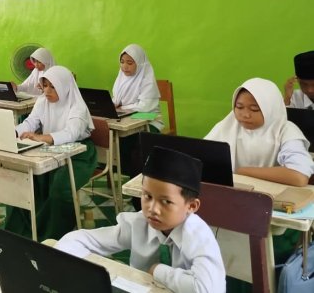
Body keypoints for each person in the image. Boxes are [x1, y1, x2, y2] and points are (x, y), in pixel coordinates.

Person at [56, 146, 226, 293]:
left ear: (192, 206)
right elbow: (76, 240)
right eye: (147, 196)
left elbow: (208, 289)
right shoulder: (138, 223)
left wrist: (158, 270)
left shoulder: (198, 236)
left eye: (166, 202)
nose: (153, 209)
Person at [4, 66, 97, 241]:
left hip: (79, 153)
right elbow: (30, 122)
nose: (47, 91)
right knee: (23, 182)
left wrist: (42, 137)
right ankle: (22, 232)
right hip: (49, 150)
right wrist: (13, 132)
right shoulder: (42, 101)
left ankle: (52, 236)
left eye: (53, 87)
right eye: (45, 85)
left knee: (59, 189)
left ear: (64, 87)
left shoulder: (77, 107)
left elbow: (71, 134)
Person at [205, 77, 312, 187]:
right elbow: (200, 159)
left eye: (254, 109)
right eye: (239, 107)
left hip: (271, 193)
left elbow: (299, 176)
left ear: (271, 108)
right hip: (231, 191)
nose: (245, 115)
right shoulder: (227, 126)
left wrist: (244, 171)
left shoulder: (286, 130)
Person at [112, 44, 162, 179]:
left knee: (135, 145)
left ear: (139, 63)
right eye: (122, 62)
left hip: (149, 122)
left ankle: (139, 180)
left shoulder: (147, 80)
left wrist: (123, 108)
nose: (124, 66)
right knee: (120, 140)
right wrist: (113, 104)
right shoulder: (121, 78)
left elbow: (145, 107)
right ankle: (128, 177)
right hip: (128, 121)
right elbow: (117, 100)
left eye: (130, 63)